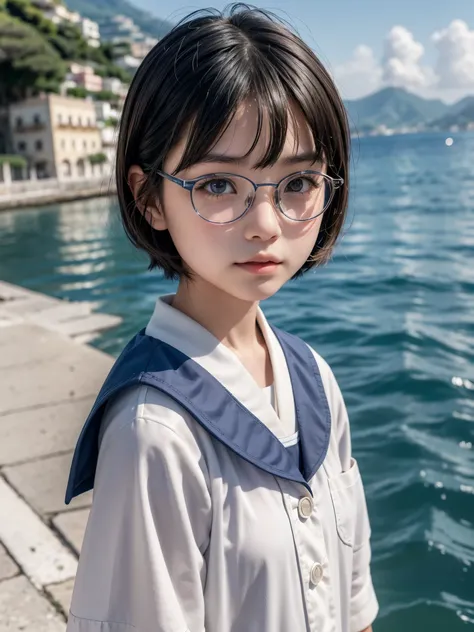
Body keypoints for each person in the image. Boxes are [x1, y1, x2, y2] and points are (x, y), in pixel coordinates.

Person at [65, 4, 379, 632]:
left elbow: (355, 603)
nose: (265, 224)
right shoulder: (154, 432)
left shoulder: (312, 378)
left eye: (298, 183)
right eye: (217, 185)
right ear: (148, 195)